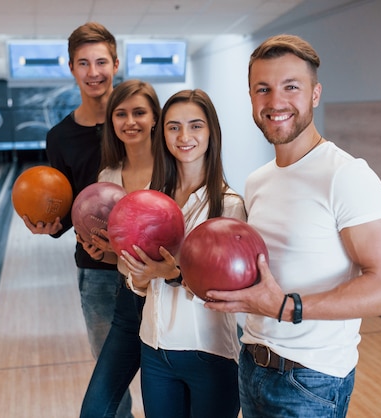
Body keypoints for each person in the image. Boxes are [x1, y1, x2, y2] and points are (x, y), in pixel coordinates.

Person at [204, 34, 381, 417]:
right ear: (251, 97)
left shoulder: (347, 175)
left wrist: (286, 308)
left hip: (310, 381)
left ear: (315, 94)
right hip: (252, 364)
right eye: (262, 89)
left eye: (291, 87)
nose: (276, 102)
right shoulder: (258, 181)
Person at [21, 22, 133, 417]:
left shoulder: (137, 123)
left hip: (149, 266)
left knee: (160, 370)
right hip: (97, 272)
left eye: (101, 61)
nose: (93, 71)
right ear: (71, 68)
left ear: (116, 63)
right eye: (83, 63)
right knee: (111, 382)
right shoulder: (60, 137)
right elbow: (65, 206)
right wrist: (49, 226)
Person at [120, 89, 244, 418]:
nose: (184, 136)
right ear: (162, 134)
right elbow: (135, 275)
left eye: (195, 126)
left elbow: (229, 290)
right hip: (155, 349)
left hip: (210, 353)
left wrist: (173, 275)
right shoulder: (150, 198)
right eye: (174, 127)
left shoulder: (228, 206)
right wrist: (139, 276)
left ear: (211, 133)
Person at [79, 79, 161, 417]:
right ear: (111, 121)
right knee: (96, 410)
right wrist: (105, 252)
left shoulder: (175, 170)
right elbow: (120, 250)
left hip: (169, 300)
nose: (130, 122)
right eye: (121, 114)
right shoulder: (108, 176)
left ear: (155, 117)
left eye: (139, 112)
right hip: (129, 300)